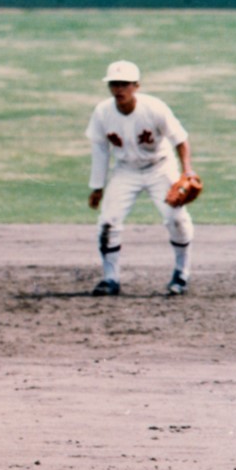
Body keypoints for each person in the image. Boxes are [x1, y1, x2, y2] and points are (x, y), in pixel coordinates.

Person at [85, 60, 198, 296]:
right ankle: (110, 279)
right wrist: (97, 186)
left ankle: (181, 273)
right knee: (108, 222)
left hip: (160, 167)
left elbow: (180, 139)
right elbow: (100, 149)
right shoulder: (103, 112)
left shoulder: (154, 108)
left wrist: (187, 170)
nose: (119, 89)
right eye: (114, 84)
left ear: (136, 85)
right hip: (126, 170)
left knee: (175, 219)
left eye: (124, 84)